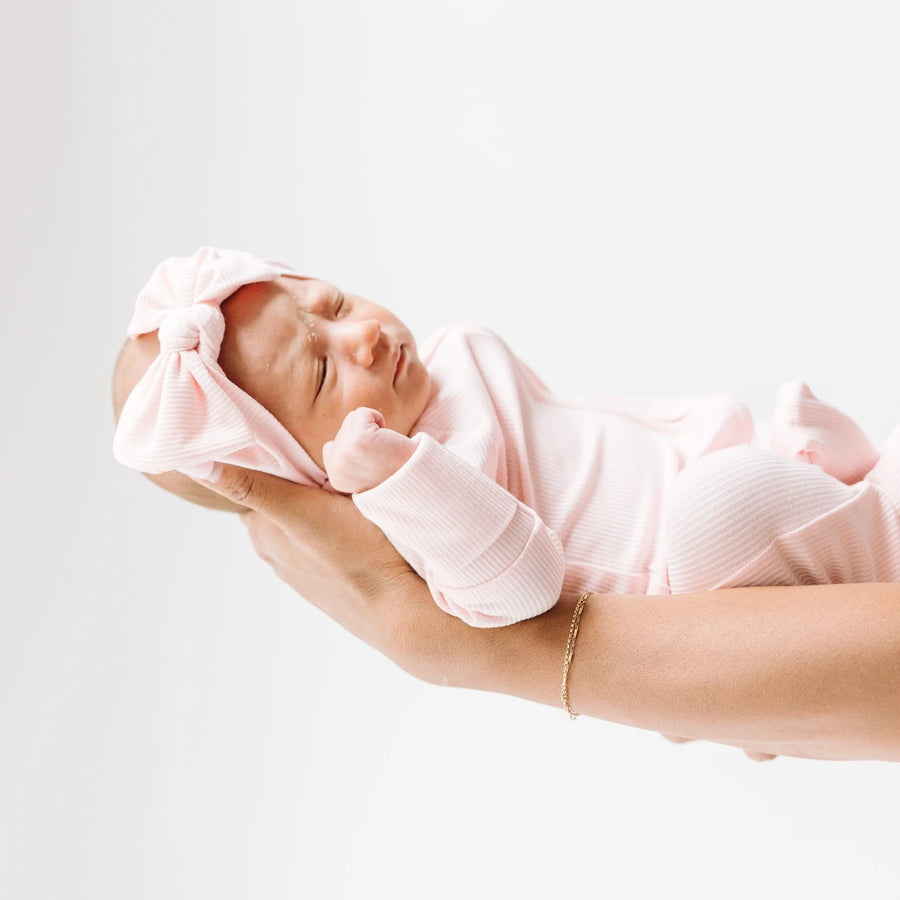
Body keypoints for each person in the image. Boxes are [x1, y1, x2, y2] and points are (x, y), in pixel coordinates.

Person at [115, 248, 900, 630]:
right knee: (715, 509)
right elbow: (522, 584)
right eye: (321, 373)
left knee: (732, 474)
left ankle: (835, 488)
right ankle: (866, 531)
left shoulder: (452, 360)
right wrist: (399, 477)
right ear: (299, 473)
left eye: (336, 302)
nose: (360, 336)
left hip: (713, 458)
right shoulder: (414, 507)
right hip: (689, 570)